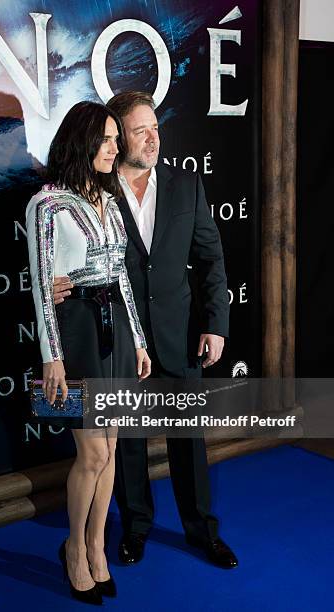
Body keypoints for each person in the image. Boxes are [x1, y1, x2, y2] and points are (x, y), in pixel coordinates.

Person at [53, 92, 238, 570]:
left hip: (179, 335)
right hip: (116, 338)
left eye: (155, 128)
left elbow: (212, 259)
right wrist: (59, 284)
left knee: (188, 441)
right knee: (125, 442)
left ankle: (201, 531)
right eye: (140, 131)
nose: (153, 138)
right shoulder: (92, 191)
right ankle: (135, 527)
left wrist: (215, 325)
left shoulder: (186, 185)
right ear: (116, 136)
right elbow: (67, 256)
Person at [25, 101, 151, 605]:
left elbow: (120, 275)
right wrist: (51, 355)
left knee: (113, 446)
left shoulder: (110, 197)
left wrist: (139, 340)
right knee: (92, 451)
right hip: (76, 333)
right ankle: (74, 548)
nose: (115, 147)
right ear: (81, 141)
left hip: (116, 329)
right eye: (106, 139)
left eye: (117, 139)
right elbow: (40, 282)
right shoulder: (47, 204)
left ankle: (98, 548)